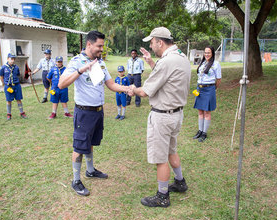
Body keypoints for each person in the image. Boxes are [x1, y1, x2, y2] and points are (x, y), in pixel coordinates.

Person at [58, 31, 130, 196]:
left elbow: (110, 84)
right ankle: (76, 180)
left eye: (102, 46)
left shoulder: (101, 63)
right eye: (99, 46)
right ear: (89, 44)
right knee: (79, 146)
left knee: (90, 142)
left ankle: (90, 170)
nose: (101, 49)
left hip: (98, 111)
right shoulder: (76, 62)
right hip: (84, 112)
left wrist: (127, 88)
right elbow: (61, 84)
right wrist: (80, 71)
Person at [128, 27, 191, 207]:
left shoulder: (166, 62)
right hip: (176, 114)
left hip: (162, 116)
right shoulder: (181, 57)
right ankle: (180, 181)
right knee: (171, 149)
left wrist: (132, 89)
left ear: (160, 42)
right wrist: (150, 63)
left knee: (161, 158)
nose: (151, 45)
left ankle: (162, 196)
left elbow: (146, 91)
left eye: (152, 41)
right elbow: (168, 78)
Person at [193, 46, 221, 142]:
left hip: (209, 89)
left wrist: (214, 88)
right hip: (200, 89)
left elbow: (219, 79)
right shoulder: (203, 63)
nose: (206, 54)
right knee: (200, 111)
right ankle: (200, 131)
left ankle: (204, 133)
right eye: (205, 52)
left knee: (207, 112)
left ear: (212, 53)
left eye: (208, 52)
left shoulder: (216, 64)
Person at [0, 53, 28, 120]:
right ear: (8, 59)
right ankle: (9, 114)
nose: (13, 60)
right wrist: (4, 84)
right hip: (8, 86)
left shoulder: (16, 67)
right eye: (11, 59)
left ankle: (22, 113)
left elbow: (18, 74)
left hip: (16, 85)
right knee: (9, 100)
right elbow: (1, 76)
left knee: (19, 99)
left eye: (14, 59)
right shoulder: (3, 67)